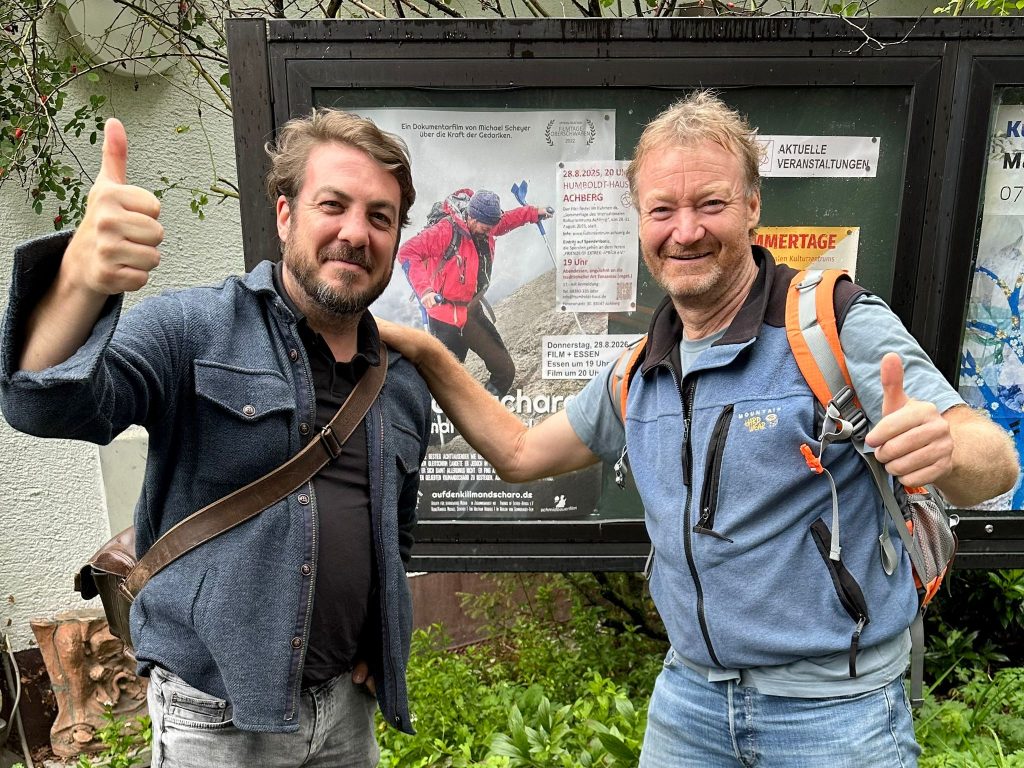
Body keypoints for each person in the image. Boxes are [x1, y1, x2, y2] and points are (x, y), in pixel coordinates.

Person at [378, 91, 1020, 766]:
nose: (685, 230)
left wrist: (946, 449)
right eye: (662, 209)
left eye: (710, 203)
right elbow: (517, 451)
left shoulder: (832, 323)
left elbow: (994, 459)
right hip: (690, 704)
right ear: (641, 221)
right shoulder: (640, 369)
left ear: (752, 206)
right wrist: (425, 352)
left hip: (836, 714)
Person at [0, 109, 433, 767]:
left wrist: (380, 636)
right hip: (215, 718)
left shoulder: (401, 382)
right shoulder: (194, 329)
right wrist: (77, 285)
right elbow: (48, 406)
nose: (356, 232)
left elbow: (393, 534)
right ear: (286, 216)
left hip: (346, 711)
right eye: (333, 205)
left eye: (380, 216)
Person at [396, 188, 552, 396]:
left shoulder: (487, 224)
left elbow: (507, 220)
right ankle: (441, 424)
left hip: (471, 313)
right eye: (486, 227)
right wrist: (424, 291)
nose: (490, 231)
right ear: (472, 216)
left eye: (491, 227)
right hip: (444, 320)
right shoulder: (445, 231)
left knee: (505, 372)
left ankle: (485, 412)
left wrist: (534, 213)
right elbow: (407, 252)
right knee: (444, 386)